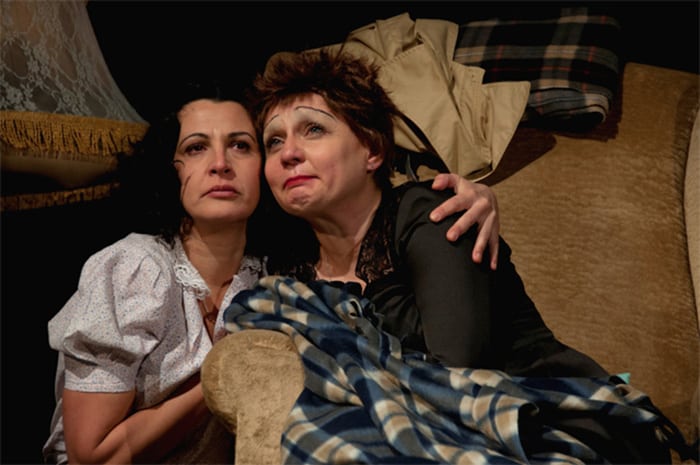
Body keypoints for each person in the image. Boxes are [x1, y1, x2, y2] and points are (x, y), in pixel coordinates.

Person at [222, 48, 692, 463]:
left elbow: (457, 370)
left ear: (372, 150)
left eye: (313, 130)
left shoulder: (434, 211)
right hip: (410, 437)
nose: (289, 153)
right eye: (274, 141)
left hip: (543, 422)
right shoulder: (290, 273)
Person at [42, 81, 504, 464]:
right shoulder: (135, 267)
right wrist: (226, 371)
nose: (220, 164)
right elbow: (91, 456)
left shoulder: (277, 275)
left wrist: (477, 194)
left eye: (241, 146)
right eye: (196, 148)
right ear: (168, 170)